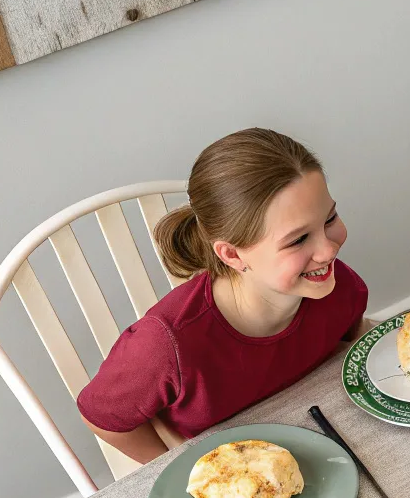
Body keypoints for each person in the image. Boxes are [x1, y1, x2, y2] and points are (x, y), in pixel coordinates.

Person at [78, 128, 368, 463]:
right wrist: (178, 466)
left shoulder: (339, 287)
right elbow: (101, 418)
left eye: (329, 218)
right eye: (298, 239)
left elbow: (350, 351)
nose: (328, 249)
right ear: (232, 255)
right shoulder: (165, 344)